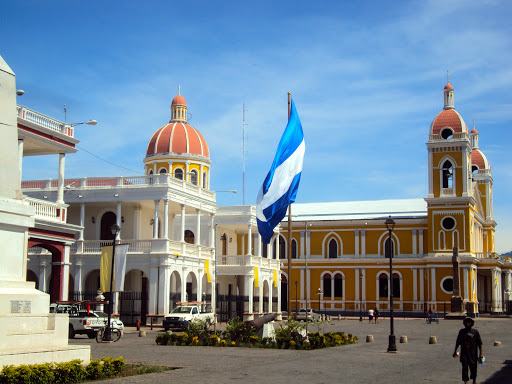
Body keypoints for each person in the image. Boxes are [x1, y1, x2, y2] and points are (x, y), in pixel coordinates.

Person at [453, 317, 483, 384]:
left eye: (469, 322)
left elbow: (480, 344)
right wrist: (455, 351)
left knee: (474, 368)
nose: (468, 324)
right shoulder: (462, 332)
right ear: (464, 323)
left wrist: (481, 354)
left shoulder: (475, 332)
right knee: (465, 368)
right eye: (466, 322)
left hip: (473, 354)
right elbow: (458, 342)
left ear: (471, 324)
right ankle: (465, 381)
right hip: (464, 354)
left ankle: (474, 381)